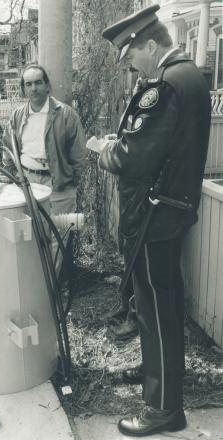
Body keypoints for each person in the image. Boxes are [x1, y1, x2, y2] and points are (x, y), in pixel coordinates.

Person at [99, 4, 211, 436]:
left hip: (154, 213)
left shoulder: (164, 85)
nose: (129, 64)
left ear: (149, 43)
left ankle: (163, 409)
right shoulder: (188, 77)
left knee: (157, 308)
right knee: (161, 305)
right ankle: (155, 373)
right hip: (170, 210)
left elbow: (133, 157)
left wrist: (105, 149)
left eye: (131, 55)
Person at [2, 64, 86, 277]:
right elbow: (8, 150)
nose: (34, 88)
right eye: (28, 84)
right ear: (23, 89)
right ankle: (36, 286)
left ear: (47, 86)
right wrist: (12, 179)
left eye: (38, 82)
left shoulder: (66, 115)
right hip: (27, 183)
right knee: (29, 235)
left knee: (58, 237)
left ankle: (53, 291)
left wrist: (70, 181)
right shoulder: (18, 117)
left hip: (58, 184)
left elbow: (78, 155)